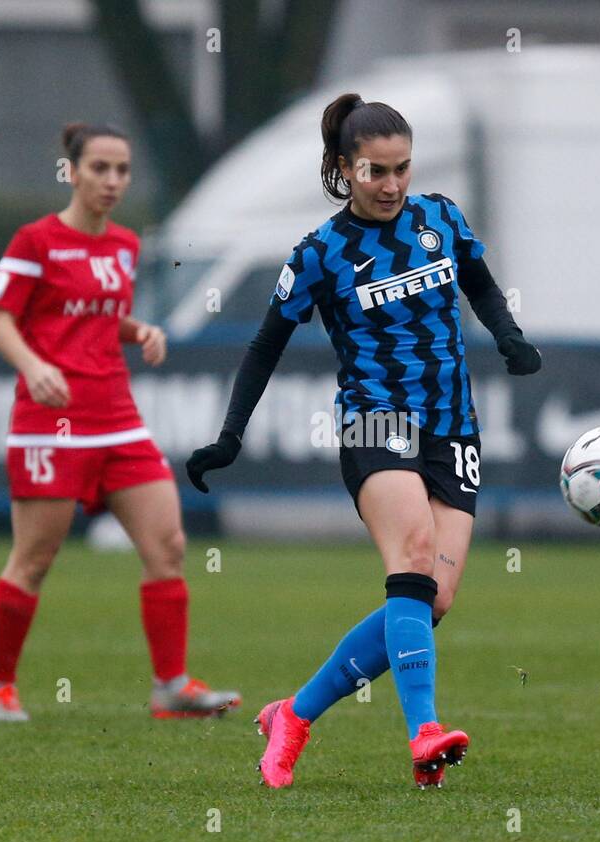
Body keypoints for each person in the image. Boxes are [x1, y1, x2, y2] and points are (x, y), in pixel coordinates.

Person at [186, 94, 541, 787]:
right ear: (345, 168)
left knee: (429, 602)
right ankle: (424, 735)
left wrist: (508, 335)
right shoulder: (321, 253)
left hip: (452, 427)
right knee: (410, 559)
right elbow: (265, 346)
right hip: (374, 422)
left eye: (402, 168)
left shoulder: (439, 216)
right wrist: (230, 436)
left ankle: (293, 714)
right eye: (376, 171)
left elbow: (478, 281)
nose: (391, 185)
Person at [0, 121, 239, 722]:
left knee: (167, 545)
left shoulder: (123, 244)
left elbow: (98, 314)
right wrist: (32, 365)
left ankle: (170, 687)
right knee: (35, 560)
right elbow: (0, 320)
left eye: (122, 170)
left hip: (117, 419)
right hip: (51, 423)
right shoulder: (34, 241)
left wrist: (138, 329)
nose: (113, 180)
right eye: (100, 168)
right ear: (71, 172)